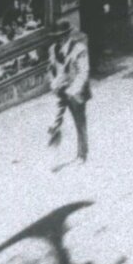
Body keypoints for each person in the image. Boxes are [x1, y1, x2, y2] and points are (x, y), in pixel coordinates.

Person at [46, 28, 92, 163]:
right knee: (54, 122)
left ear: (67, 35)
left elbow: (83, 72)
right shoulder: (53, 49)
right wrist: (53, 83)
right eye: (56, 36)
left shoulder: (79, 48)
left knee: (80, 122)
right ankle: (53, 152)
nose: (59, 39)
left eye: (61, 36)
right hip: (60, 89)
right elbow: (50, 69)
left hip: (75, 91)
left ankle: (82, 153)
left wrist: (73, 90)